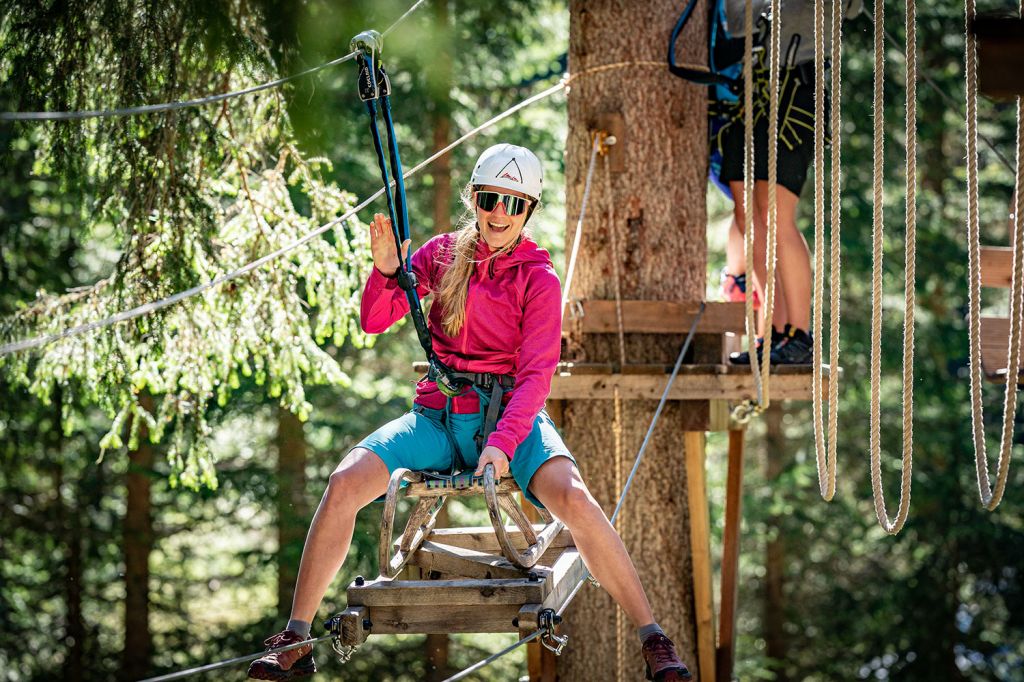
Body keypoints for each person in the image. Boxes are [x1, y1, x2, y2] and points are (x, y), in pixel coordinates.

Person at [247, 144, 692, 681]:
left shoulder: (538, 280)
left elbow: (534, 378)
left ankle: (653, 638)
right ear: (474, 199)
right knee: (344, 481)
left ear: (528, 212)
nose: (499, 212)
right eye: (489, 199)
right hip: (438, 419)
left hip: (512, 421)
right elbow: (373, 320)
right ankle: (296, 636)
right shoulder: (440, 256)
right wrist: (387, 272)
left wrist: (502, 445)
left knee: (575, 498)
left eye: (513, 203)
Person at [720, 0, 862, 365]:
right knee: (747, 215)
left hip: (799, 84)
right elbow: (738, 24)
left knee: (774, 212)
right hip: (753, 86)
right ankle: (775, 331)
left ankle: (799, 332)